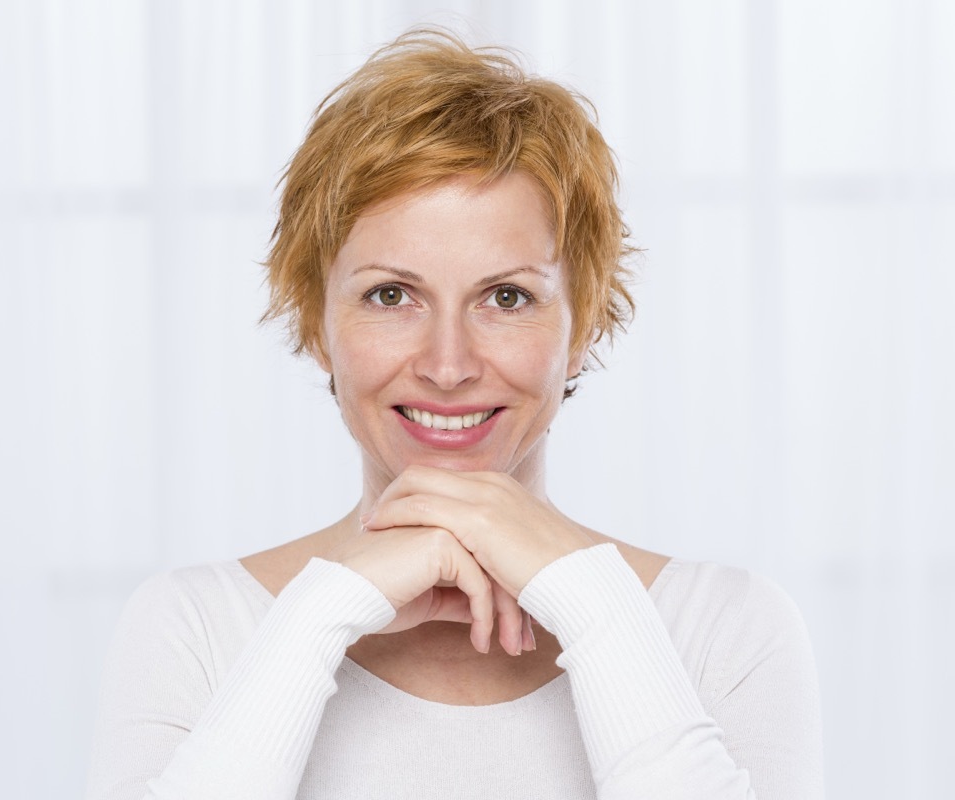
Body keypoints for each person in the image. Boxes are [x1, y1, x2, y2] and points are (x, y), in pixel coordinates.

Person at [85, 28, 823, 800]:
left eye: (506, 297)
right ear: (315, 324)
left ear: (585, 328)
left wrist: (595, 607)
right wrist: (319, 616)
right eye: (390, 295)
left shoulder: (726, 631)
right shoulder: (194, 630)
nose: (447, 365)